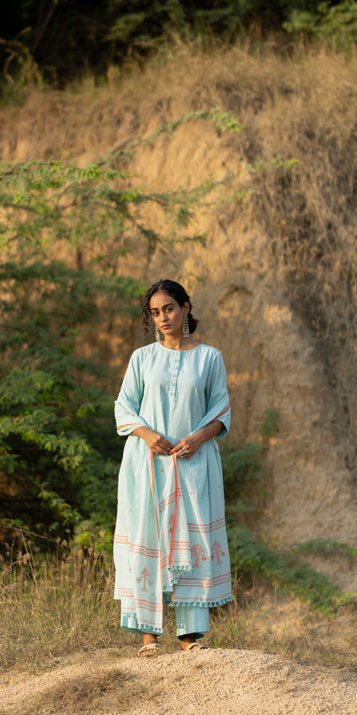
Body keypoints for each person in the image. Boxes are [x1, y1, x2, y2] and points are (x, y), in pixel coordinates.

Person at [113, 278, 232, 655]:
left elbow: (222, 410)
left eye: (169, 308)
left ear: (185, 307)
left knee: (193, 540)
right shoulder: (142, 358)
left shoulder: (209, 357)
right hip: (147, 463)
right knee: (148, 536)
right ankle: (149, 636)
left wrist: (198, 438)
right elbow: (123, 408)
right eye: (155, 312)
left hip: (194, 464)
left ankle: (189, 637)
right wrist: (147, 435)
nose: (163, 317)